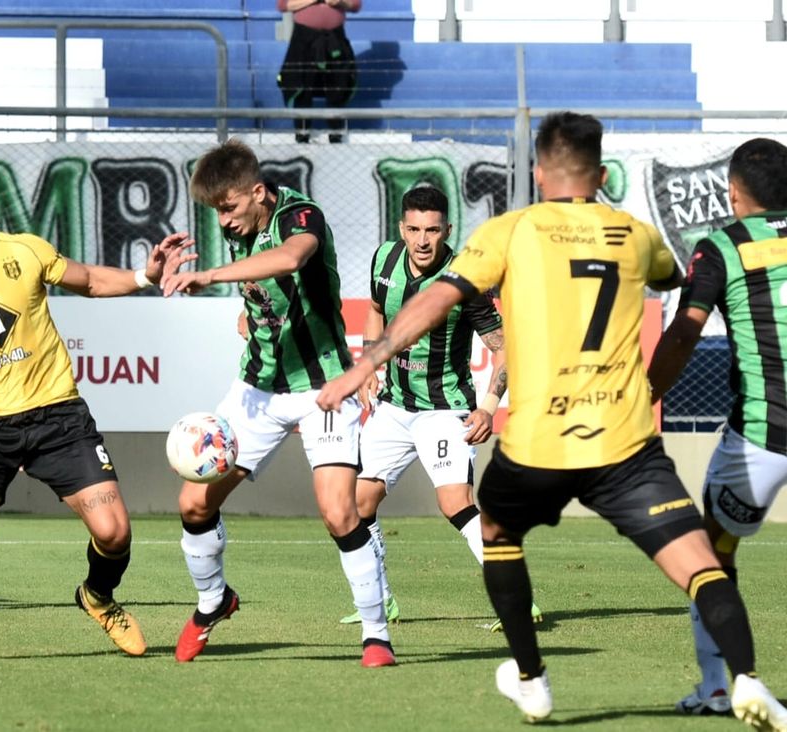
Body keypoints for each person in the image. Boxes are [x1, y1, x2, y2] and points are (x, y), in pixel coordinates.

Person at [316, 112, 787, 728]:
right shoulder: (636, 234)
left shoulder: (510, 231)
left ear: (539, 172)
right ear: (601, 174)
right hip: (623, 439)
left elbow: (438, 298)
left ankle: (532, 679)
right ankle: (746, 678)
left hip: (541, 437)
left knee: (495, 532)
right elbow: (673, 281)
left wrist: (365, 362)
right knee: (701, 562)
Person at [0, 158, 190, 664]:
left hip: (58, 417)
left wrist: (145, 274)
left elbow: (90, 280)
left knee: (115, 531)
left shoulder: (23, 250)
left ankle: (97, 596)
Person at [160, 138, 395, 668]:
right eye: (215, 211)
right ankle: (213, 601)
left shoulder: (300, 215)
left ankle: (377, 635)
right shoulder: (238, 227)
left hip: (324, 387)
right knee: (193, 503)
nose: (223, 221)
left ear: (259, 192)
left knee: (339, 512)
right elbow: (263, 296)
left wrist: (209, 277)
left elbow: (290, 258)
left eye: (228, 207)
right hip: (257, 389)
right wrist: (251, 317)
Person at [335, 186, 541, 632]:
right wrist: (369, 365)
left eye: (432, 230)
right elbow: (375, 310)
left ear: (447, 229)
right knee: (356, 501)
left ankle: (517, 600)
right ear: (401, 229)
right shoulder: (384, 260)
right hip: (393, 406)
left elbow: (504, 349)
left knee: (454, 503)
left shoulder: (465, 279)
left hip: (444, 410)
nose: (423, 240)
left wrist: (489, 407)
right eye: (414, 230)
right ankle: (380, 600)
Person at [647, 137, 787, 721]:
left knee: (712, 553)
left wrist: (647, 394)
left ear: (732, 193)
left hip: (763, 433)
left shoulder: (722, 246)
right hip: (761, 430)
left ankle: (717, 687)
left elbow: (686, 330)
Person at [277, 0, 360, 144]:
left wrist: (340, 1)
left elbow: (355, 5)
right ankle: (302, 133)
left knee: (337, 85)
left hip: (335, 38)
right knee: (302, 87)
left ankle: (336, 133)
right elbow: (283, 5)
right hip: (303, 39)